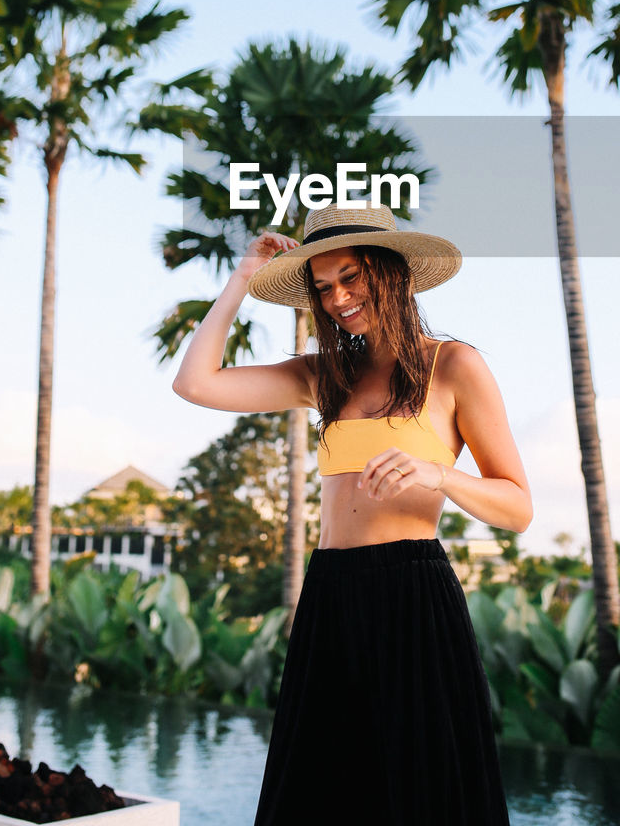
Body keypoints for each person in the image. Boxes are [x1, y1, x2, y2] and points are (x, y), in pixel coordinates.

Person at [172, 203, 532, 825]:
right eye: (323, 287)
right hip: (331, 594)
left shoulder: (454, 366)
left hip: (412, 594)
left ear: (391, 274)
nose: (337, 298)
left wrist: (439, 473)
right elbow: (196, 383)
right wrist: (240, 281)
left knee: (420, 791)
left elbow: (518, 507)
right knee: (317, 792)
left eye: (351, 278)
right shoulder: (325, 376)